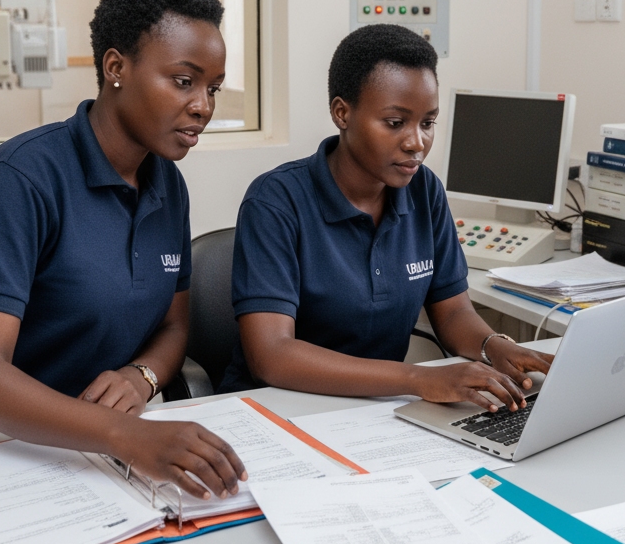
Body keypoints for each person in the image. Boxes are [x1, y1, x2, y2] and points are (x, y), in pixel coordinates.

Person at [0, 0, 245, 502]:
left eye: (213, 88)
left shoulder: (167, 183)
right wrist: (128, 434)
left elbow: (174, 327)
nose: (203, 105)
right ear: (116, 67)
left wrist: (143, 378)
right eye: (184, 81)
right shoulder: (20, 180)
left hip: (89, 457)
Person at [219, 24, 552, 410]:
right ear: (342, 113)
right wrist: (419, 378)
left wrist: (492, 345)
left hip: (376, 408)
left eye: (428, 122)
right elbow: (272, 356)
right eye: (395, 123)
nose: (416, 143)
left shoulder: (424, 190)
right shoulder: (276, 201)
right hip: (279, 409)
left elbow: (454, 310)